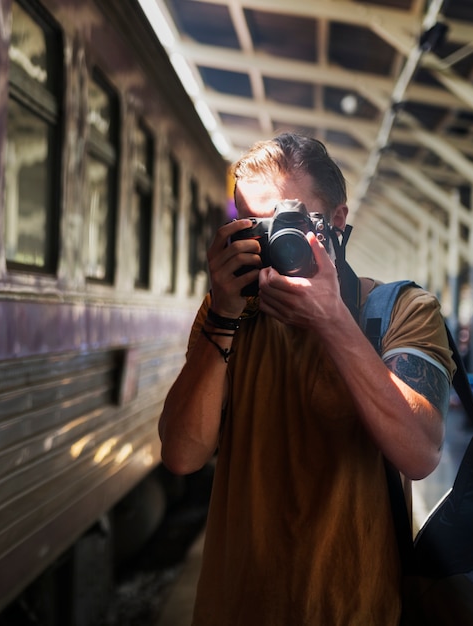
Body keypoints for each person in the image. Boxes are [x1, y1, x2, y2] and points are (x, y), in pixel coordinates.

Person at [158, 132, 455, 625]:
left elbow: (420, 453)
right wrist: (224, 315)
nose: (276, 238)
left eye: (290, 220)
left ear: (337, 220)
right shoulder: (229, 318)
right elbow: (182, 455)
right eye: (257, 224)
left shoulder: (403, 311)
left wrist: (332, 321)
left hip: (358, 610)